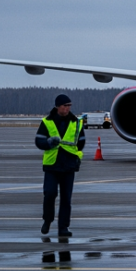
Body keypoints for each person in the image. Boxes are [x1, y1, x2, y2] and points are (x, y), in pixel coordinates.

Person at [35, 94, 84, 237]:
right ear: (58, 107)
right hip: (52, 164)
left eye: (69, 106)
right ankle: (47, 219)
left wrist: (77, 156)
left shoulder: (76, 123)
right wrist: (49, 142)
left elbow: (81, 142)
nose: (68, 108)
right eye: (65, 106)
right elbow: (39, 141)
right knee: (49, 194)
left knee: (66, 199)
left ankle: (63, 227)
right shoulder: (47, 122)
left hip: (69, 164)